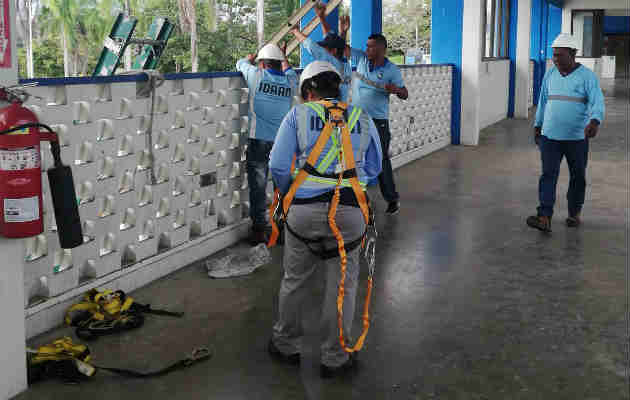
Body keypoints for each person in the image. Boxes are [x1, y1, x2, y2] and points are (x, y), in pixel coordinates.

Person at [267, 61, 382, 378]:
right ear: (338, 89)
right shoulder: (362, 116)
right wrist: (350, 185)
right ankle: (335, 357)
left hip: (303, 212)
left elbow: (278, 165)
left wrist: (293, 194)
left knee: (295, 279)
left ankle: (285, 343)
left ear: (307, 91)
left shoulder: (297, 115)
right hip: (349, 213)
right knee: (342, 285)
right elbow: (374, 166)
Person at [527, 33, 605, 232]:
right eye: (554, 55)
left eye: (560, 55)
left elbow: (597, 102)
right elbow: (544, 101)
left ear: (573, 54)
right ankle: (544, 216)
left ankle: (574, 213)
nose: (556, 59)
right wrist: (538, 125)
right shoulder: (550, 74)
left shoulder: (587, 76)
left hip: (577, 138)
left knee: (578, 176)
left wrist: (594, 122)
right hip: (550, 137)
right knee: (548, 175)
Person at [236, 43, 298, 245]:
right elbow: (288, 70)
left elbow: (241, 63)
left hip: (259, 139)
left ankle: (259, 230)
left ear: (262, 64)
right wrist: (283, 55)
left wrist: (250, 58)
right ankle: (282, 228)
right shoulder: (290, 81)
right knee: (282, 185)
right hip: (283, 141)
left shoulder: (256, 76)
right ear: (279, 63)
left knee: (258, 186)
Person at [347, 31, 408, 215]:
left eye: (371, 46)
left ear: (382, 49)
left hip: (378, 122)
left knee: (381, 160)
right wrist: (341, 30)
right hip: (356, 119)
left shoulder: (391, 70)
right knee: (353, 158)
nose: (367, 49)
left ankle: (392, 199)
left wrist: (396, 89)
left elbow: (405, 94)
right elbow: (342, 48)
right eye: (366, 46)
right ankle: (355, 198)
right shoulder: (361, 59)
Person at [290, 4, 352, 102]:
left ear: (333, 51)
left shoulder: (332, 62)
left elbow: (311, 46)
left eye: (325, 48)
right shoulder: (345, 63)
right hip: (341, 107)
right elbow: (332, 38)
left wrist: (295, 31)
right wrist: (321, 18)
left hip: (330, 108)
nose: (323, 50)